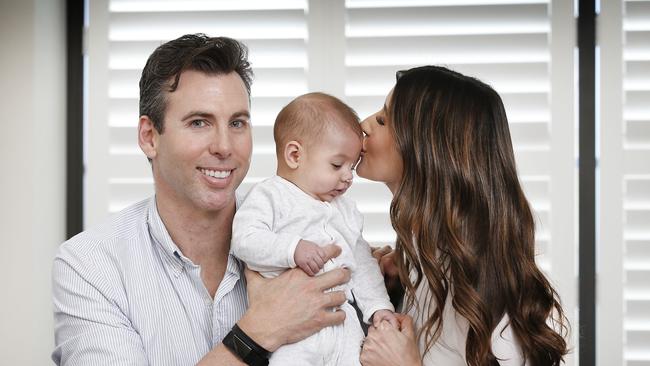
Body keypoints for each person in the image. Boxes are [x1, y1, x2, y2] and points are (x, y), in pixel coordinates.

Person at [51, 34, 351, 366]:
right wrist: (258, 331)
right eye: (199, 122)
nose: (224, 146)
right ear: (150, 137)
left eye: (237, 123)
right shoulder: (90, 266)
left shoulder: (304, 230)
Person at [356, 66, 569, 366]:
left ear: (429, 148)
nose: (364, 125)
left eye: (382, 120)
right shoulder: (422, 263)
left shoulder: (480, 288)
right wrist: (397, 290)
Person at [231, 92, 396, 365]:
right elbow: (245, 240)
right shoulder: (269, 196)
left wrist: (379, 307)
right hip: (293, 334)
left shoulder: (346, 210)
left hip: (344, 323)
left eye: (352, 167)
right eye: (337, 164)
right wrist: (292, 249)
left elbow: (363, 266)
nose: (348, 177)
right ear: (295, 155)